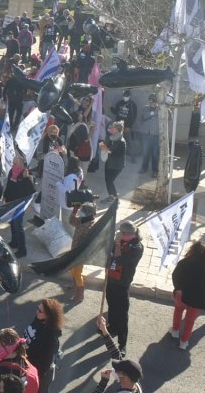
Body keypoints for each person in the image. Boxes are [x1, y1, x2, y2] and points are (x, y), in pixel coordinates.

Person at [105, 221, 144, 358]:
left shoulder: (137, 247)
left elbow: (120, 260)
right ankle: (112, 327)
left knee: (122, 314)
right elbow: (109, 254)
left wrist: (116, 244)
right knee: (112, 305)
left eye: (124, 234)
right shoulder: (119, 241)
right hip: (111, 279)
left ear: (129, 234)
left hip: (122, 283)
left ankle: (122, 344)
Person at [170, 241, 205, 351]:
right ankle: (184, 342)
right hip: (197, 297)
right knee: (190, 321)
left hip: (182, 293)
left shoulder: (184, 262)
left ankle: (175, 331)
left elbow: (175, 275)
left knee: (178, 311)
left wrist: (178, 289)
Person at [24, 299, 64, 393]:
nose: (37, 311)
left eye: (40, 311)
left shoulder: (50, 339)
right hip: (27, 366)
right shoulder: (38, 319)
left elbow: (44, 366)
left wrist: (30, 375)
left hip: (38, 376)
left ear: (48, 316)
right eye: (37, 308)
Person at [2, 155, 34, 257]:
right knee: (12, 222)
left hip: (20, 203)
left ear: (21, 163)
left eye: (15, 162)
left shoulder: (25, 173)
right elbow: (9, 185)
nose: (13, 164)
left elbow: (31, 191)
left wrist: (27, 179)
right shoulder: (12, 171)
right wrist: (5, 197)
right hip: (11, 201)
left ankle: (22, 250)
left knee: (18, 225)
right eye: (13, 162)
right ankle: (14, 242)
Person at [68, 202, 97, 302]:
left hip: (81, 253)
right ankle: (75, 285)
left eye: (82, 211)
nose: (81, 212)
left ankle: (80, 294)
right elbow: (72, 221)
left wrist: (80, 252)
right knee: (72, 269)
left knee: (77, 273)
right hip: (74, 250)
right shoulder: (82, 220)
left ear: (89, 213)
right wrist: (74, 210)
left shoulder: (92, 225)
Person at [99, 121, 126, 202]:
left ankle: (113, 197)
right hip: (109, 163)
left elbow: (117, 153)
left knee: (109, 181)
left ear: (117, 129)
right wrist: (103, 146)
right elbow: (107, 147)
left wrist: (107, 150)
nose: (111, 129)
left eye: (113, 127)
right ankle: (113, 195)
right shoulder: (111, 137)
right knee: (108, 180)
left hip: (116, 165)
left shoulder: (121, 141)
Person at [137, 95, 160, 178]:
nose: (152, 103)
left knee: (155, 154)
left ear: (157, 102)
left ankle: (155, 171)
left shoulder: (161, 109)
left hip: (156, 135)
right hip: (146, 135)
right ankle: (144, 168)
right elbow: (140, 119)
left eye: (153, 102)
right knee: (145, 152)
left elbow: (169, 120)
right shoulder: (145, 109)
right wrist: (142, 129)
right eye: (150, 102)